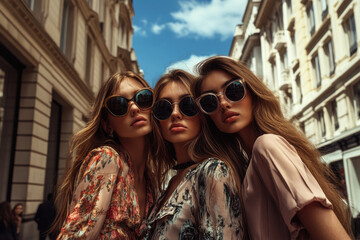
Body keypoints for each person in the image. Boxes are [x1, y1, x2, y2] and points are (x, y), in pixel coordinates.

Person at [193, 56, 353, 239]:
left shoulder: (267, 147)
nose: (223, 103)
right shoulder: (246, 170)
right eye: (209, 102)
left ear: (252, 91)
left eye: (234, 90)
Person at [53, 71, 158, 239]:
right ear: (107, 124)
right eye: (119, 105)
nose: (134, 108)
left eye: (143, 98)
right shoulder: (107, 159)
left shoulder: (149, 180)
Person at [146, 69, 243, 239]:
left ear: (202, 113)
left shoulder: (213, 171)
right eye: (164, 108)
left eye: (187, 105)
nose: (175, 114)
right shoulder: (171, 183)